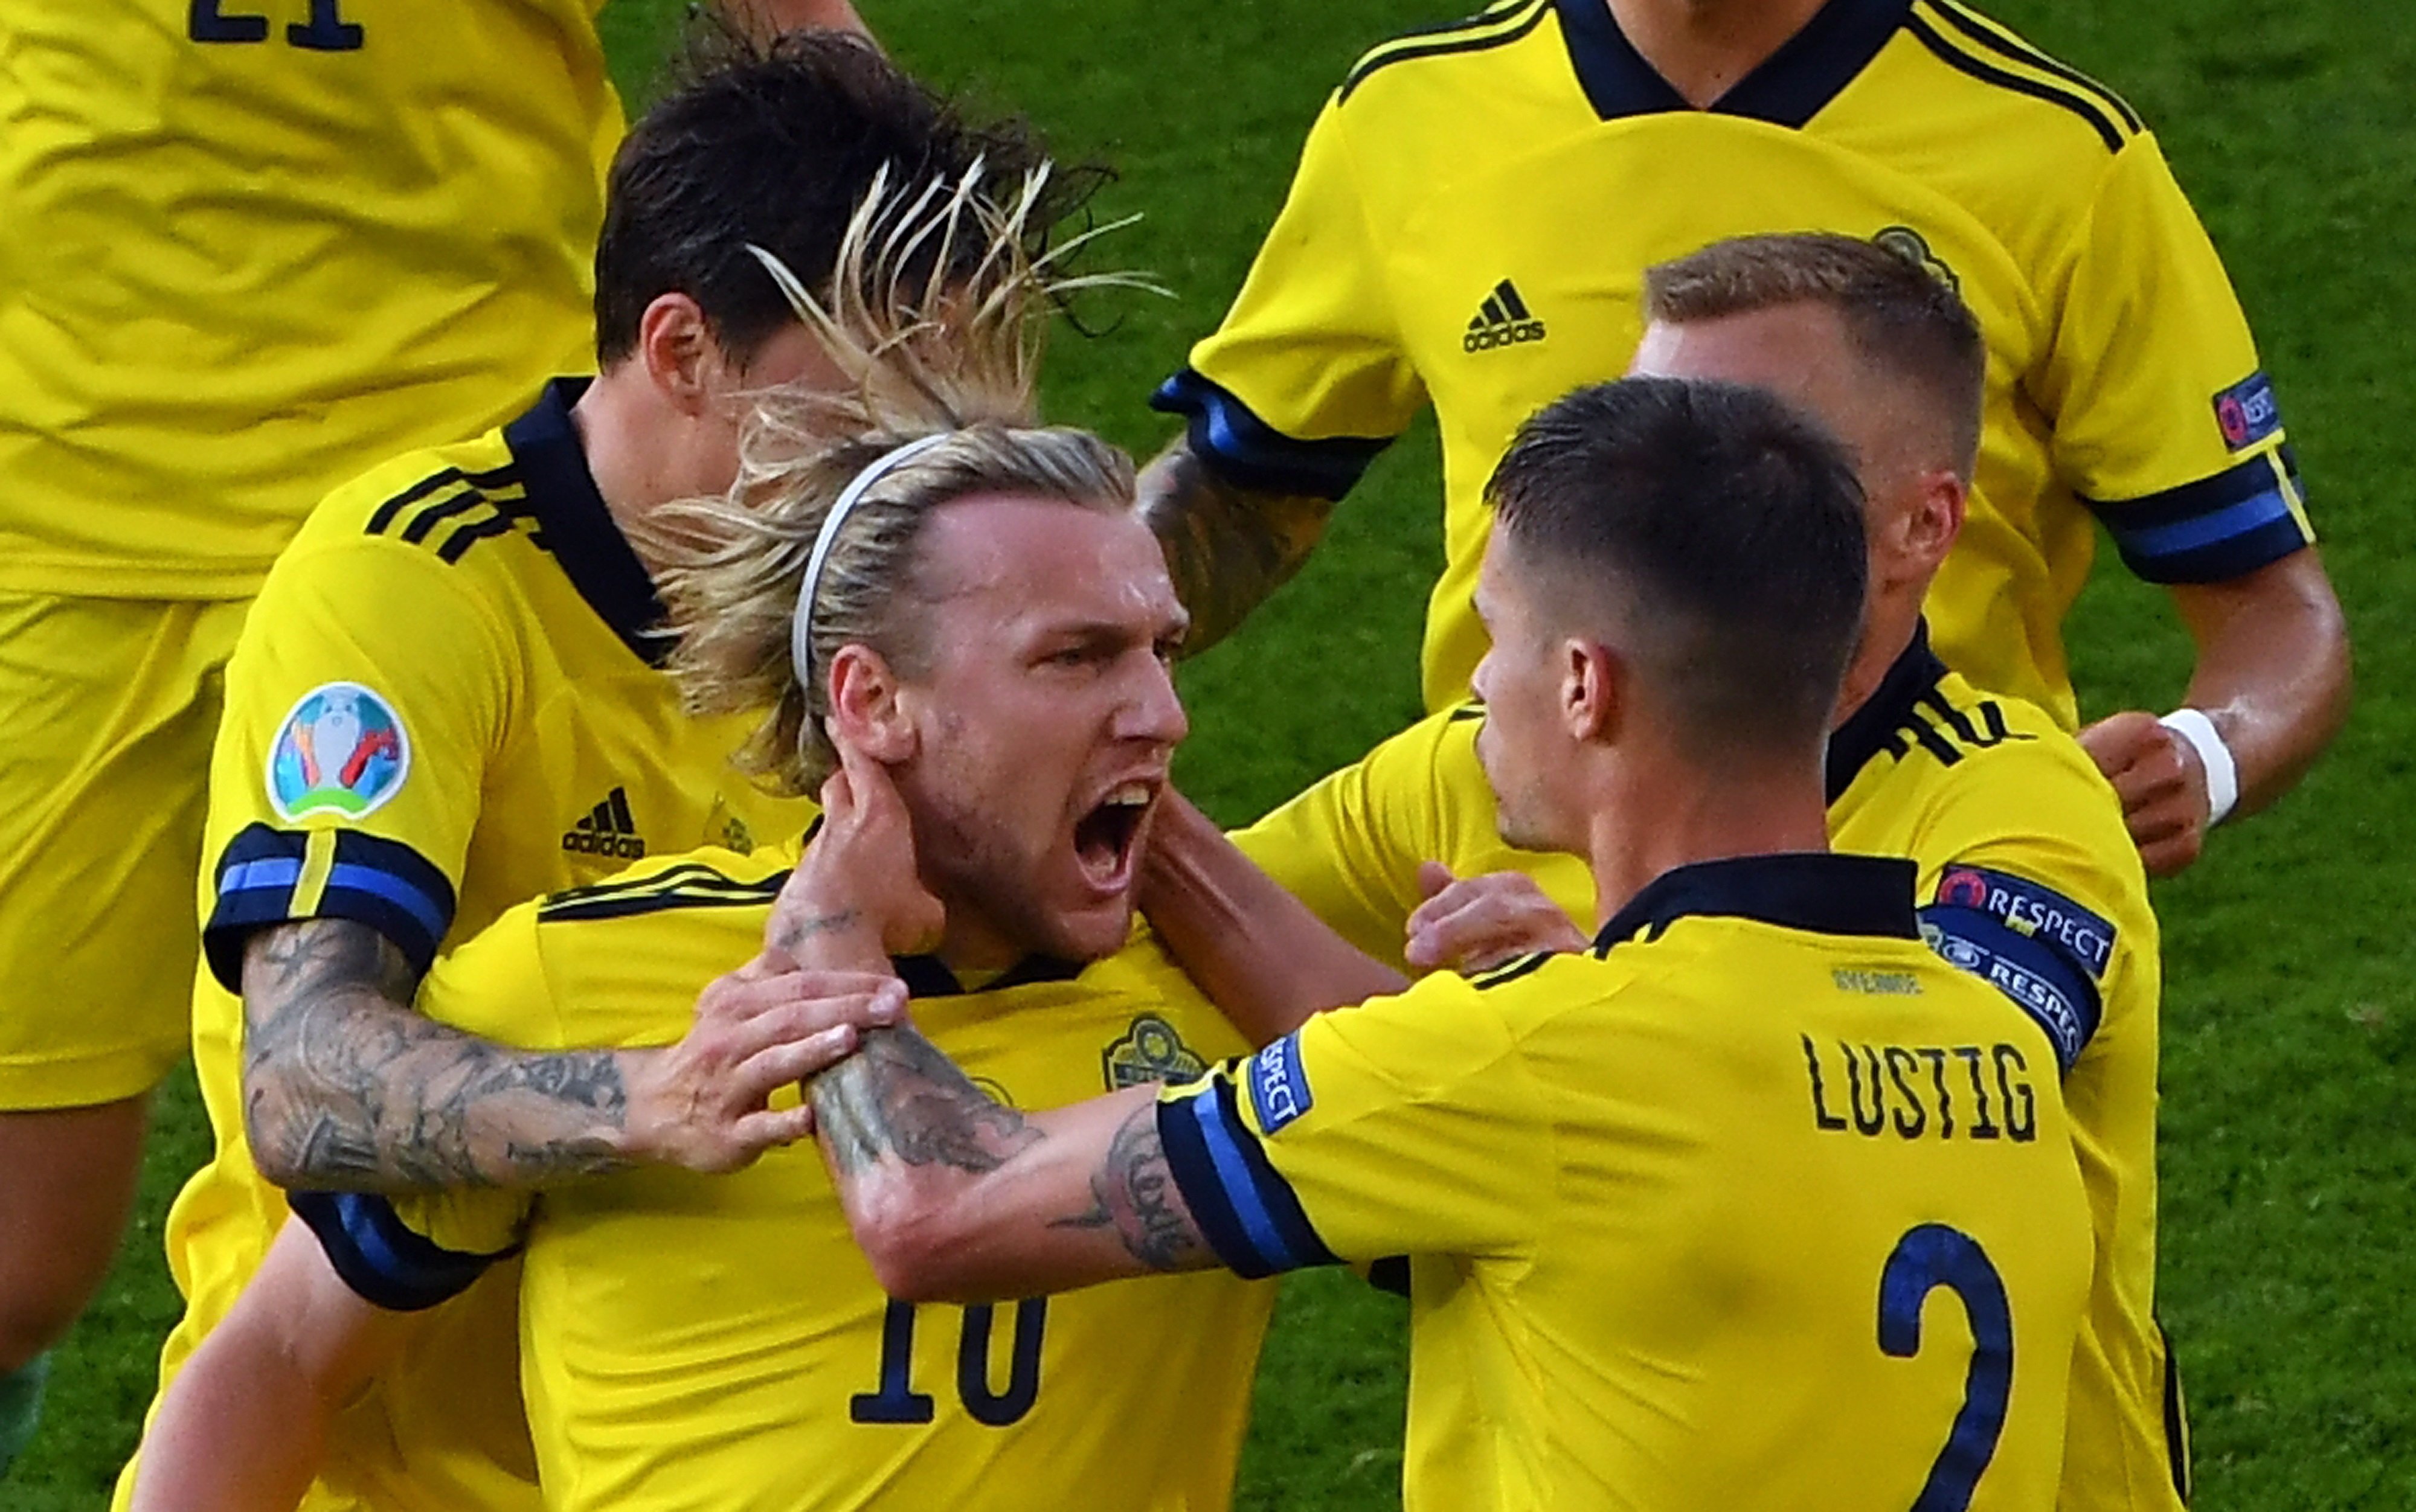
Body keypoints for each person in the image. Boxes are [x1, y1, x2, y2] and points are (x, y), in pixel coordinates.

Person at [795, 374, 2095, 1510]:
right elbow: (1554, 1139)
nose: (1476, 682)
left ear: (1585, 684)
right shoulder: (1990, 1048)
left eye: (1498, 637)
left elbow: (935, 1208)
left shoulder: (1544, 1061)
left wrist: (832, 928)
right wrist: (1124, 795)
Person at [131, 220, 1273, 1507]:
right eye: (1073, 658)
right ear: (872, 699)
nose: (1164, 714)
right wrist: (647, 1100)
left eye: (1159, 652)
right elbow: (274, 1356)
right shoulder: (585, 983)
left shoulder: (1227, 987)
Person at [0, 0, 863, 1471]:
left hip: (497, 455)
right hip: (67, 471)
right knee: (22, 1249)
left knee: (597, 1074)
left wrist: (870, 252)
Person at [1189, 232, 2180, 1508]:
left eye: (1752, 440)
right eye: (1651, 424)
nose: (1674, 483)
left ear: (1919, 523)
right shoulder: (1480, 765)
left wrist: (1573, 1016)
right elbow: (1149, 936)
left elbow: (1940, 1082)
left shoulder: (2013, 806)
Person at [1139, 0, 2350, 878]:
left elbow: (2271, 606)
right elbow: (1238, 494)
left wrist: (2205, 752)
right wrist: (1022, 662)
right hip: (1524, 910)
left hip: (1931, 913)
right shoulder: (1404, 125)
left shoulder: (2052, 154)